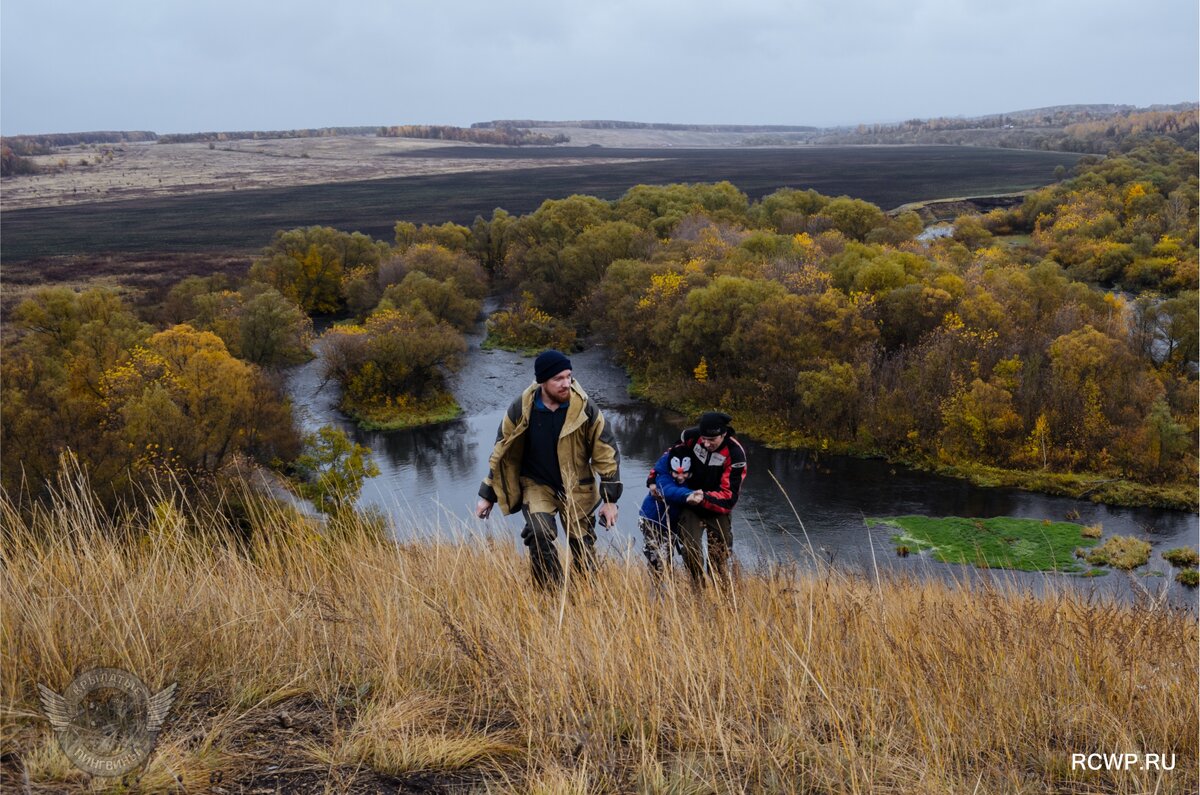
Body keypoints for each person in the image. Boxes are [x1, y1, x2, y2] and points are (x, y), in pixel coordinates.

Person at [475, 350, 622, 589]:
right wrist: (487, 495)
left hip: (578, 486)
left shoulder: (585, 408)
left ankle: (585, 595)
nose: (566, 384)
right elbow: (501, 453)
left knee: (583, 549)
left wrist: (610, 500)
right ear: (543, 381)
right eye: (559, 379)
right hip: (536, 484)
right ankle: (551, 594)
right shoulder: (521, 408)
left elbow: (606, 452)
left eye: (569, 376)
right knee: (539, 532)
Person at [675, 412, 747, 589]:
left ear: (723, 434)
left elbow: (729, 497)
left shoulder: (735, 454)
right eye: (704, 439)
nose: (706, 444)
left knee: (719, 557)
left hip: (717, 507)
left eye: (712, 440)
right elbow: (670, 458)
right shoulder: (691, 437)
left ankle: (719, 594)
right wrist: (654, 480)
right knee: (690, 549)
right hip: (691, 503)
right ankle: (697, 590)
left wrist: (704, 497)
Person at [637, 436, 704, 577]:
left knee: (666, 557)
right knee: (658, 559)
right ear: (670, 470)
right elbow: (667, 489)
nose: (680, 477)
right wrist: (688, 495)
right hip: (653, 520)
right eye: (676, 473)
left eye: (685, 473)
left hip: (672, 524)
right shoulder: (663, 475)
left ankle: (667, 587)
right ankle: (656, 590)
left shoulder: (694, 471)